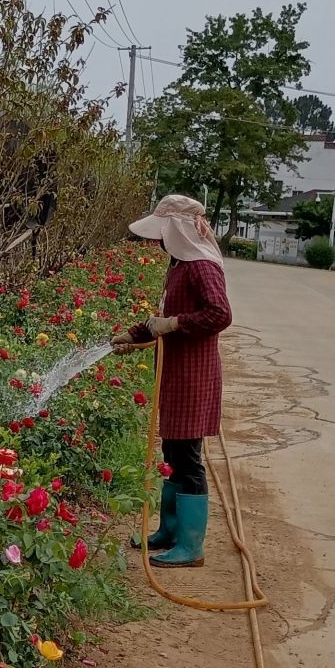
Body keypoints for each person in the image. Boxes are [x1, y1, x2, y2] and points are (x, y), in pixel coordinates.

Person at [113, 194, 233, 568]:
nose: (159, 240)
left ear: (179, 230)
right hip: (177, 374)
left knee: (188, 458)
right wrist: (135, 336)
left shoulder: (201, 266)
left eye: (164, 232)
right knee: (172, 453)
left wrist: (176, 324)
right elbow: (165, 317)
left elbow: (220, 314)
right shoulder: (179, 263)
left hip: (194, 376)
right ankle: (170, 529)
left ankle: (191, 546)